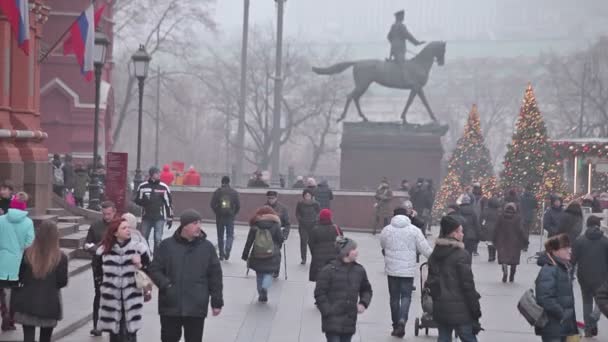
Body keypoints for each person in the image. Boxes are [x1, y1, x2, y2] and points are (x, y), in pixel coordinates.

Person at [148, 209, 223, 342]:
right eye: (194, 223)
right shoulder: (167, 246)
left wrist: (216, 301)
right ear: (184, 226)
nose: (199, 226)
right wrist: (166, 284)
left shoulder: (207, 248)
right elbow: (154, 269)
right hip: (170, 305)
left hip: (196, 306)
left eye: (200, 223)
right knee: (168, 338)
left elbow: (215, 276)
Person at [426, 216, 482, 342]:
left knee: (444, 336)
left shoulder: (435, 254)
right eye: (460, 231)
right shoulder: (461, 255)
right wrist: (475, 309)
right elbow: (467, 285)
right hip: (460, 308)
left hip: (440, 306)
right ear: (454, 233)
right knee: (467, 336)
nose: (462, 234)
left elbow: (431, 281)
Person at [94, 218, 151, 342]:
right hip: (111, 302)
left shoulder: (139, 248)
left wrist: (140, 265)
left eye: (128, 227)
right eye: (124, 228)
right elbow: (98, 274)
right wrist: (105, 288)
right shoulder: (103, 251)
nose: (128, 230)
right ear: (115, 232)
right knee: (114, 336)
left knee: (130, 335)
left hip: (131, 301)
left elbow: (151, 271)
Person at [11, 221, 68, 342]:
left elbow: (18, 276)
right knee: (45, 338)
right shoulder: (61, 257)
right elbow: (62, 282)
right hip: (50, 303)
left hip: (27, 301)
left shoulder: (27, 253)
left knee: (28, 337)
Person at [380, 211, 432, 338]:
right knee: (405, 297)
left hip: (392, 269)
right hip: (407, 271)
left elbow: (382, 245)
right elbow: (424, 248)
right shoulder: (414, 230)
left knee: (394, 298)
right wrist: (435, 258)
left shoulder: (386, 229)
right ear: (408, 216)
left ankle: (395, 324)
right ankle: (402, 320)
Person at [314, 237, 373, 342]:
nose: (357, 252)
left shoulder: (359, 270)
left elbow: (366, 289)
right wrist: (327, 310)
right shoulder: (328, 270)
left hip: (349, 321)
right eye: (353, 249)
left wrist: (363, 303)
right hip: (332, 321)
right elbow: (319, 293)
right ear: (346, 252)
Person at [535, 234, 578, 342]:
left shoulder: (563, 267)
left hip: (561, 326)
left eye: (569, 247)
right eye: (565, 248)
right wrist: (562, 314)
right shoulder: (549, 269)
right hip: (553, 327)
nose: (570, 251)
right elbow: (545, 298)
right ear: (554, 251)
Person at [571, 215, 608, 337]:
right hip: (601, 277)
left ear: (587, 225)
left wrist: (569, 276)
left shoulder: (579, 240)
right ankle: (594, 318)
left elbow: (572, 260)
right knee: (601, 301)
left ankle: (588, 330)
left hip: (584, 277)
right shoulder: (605, 241)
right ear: (598, 225)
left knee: (586, 302)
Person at [0, 204, 35, 331]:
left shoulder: (1, 219)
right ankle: (9, 319)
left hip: (2, 260)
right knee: (12, 293)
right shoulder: (28, 222)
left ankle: (5, 313)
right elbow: (30, 243)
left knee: (2, 290)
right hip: (17, 263)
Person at [84, 200, 116, 336]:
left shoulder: (120, 226)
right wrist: (95, 249)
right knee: (99, 294)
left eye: (109, 214)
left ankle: (114, 324)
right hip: (99, 265)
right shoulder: (96, 225)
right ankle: (97, 326)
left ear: (114, 212)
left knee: (114, 296)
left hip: (115, 266)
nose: (106, 216)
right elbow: (86, 243)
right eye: (104, 214)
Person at [241, 206, 284, 302]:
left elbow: (249, 241)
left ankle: (261, 292)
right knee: (268, 273)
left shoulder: (255, 225)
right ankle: (265, 288)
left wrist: (245, 254)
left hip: (258, 254)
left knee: (259, 274)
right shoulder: (276, 225)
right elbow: (281, 239)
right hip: (272, 254)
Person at [134, 166, 174, 253]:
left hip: (159, 217)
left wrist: (170, 217)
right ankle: (147, 254)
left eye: (159, 173)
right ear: (152, 174)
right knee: (144, 237)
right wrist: (144, 201)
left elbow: (168, 203)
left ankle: (157, 257)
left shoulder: (163, 187)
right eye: (157, 173)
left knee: (158, 239)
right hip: (146, 216)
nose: (159, 175)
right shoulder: (142, 186)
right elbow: (137, 200)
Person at [493, 203, 527, 283]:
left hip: (502, 241)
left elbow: (496, 229)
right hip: (514, 242)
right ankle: (512, 276)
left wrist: (494, 240)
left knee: (504, 257)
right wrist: (525, 240)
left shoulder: (501, 217)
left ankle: (504, 268)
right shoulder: (517, 218)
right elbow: (521, 230)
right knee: (514, 260)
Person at [210, 176, 241, 261]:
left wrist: (217, 212)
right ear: (229, 182)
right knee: (230, 235)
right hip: (230, 216)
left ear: (222, 182)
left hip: (220, 217)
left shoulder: (217, 192)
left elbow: (212, 204)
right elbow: (238, 206)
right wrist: (233, 213)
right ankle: (228, 247)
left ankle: (221, 255)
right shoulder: (234, 192)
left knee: (220, 236)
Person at [309, 209, 343, 282]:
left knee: (320, 279)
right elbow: (341, 242)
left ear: (320, 217)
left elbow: (311, 244)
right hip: (333, 258)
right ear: (330, 217)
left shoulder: (315, 229)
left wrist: (314, 254)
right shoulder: (336, 228)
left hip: (318, 259)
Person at [296, 189, 321, 265]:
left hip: (313, 225)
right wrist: (300, 219)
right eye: (306, 196)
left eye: (308, 196)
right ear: (303, 196)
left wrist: (316, 220)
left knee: (313, 243)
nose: (307, 197)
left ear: (311, 196)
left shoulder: (316, 204)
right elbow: (297, 213)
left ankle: (314, 258)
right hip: (303, 225)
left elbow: (319, 213)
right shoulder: (300, 203)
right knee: (303, 242)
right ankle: (303, 258)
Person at [481, 197, 500, 262]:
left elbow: (483, 219)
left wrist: (482, 226)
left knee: (489, 242)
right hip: (497, 228)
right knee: (494, 242)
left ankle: (490, 256)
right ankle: (494, 255)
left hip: (488, 227)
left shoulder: (487, 210)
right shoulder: (499, 211)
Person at [520, 185, 538, 251]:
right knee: (527, 232)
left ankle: (523, 245)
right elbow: (536, 207)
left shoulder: (522, 197)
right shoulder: (533, 197)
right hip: (530, 216)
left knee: (522, 231)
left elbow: (520, 206)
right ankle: (525, 246)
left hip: (522, 215)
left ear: (525, 189)